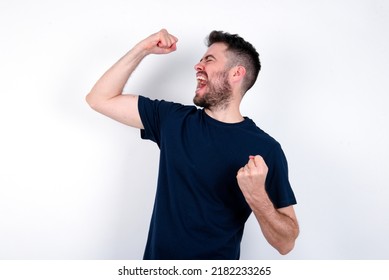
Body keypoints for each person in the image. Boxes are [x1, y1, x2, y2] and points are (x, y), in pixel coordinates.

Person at [86, 29, 299, 260]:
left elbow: (286, 243)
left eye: (209, 59)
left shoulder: (266, 150)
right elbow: (99, 99)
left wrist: (257, 196)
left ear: (236, 73)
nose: (198, 66)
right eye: (200, 60)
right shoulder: (173, 120)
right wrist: (143, 48)